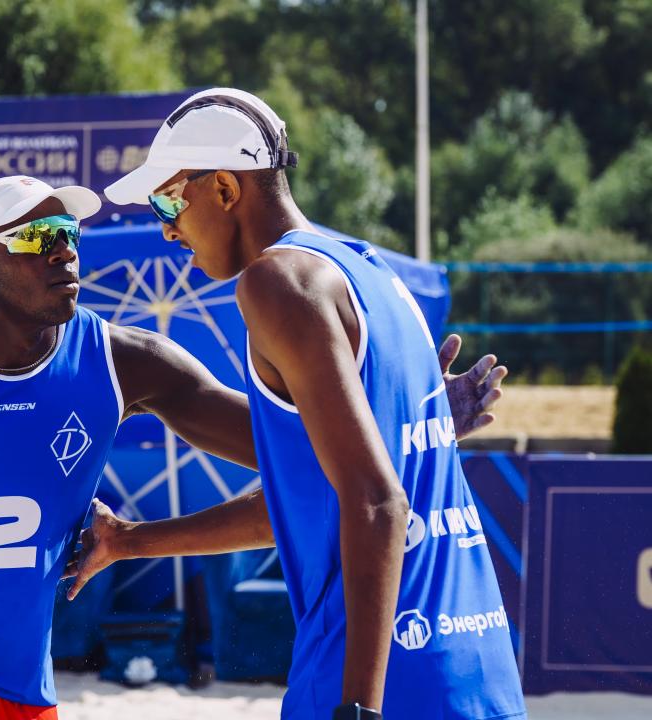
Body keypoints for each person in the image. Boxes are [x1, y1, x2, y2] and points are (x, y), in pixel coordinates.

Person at [0, 174, 504, 720]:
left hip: (17, 688)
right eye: (38, 239)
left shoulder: (123, 360)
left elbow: (299, 453)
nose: (65, 252)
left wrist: (416, 421)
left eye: (70, 235)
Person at [69, 88, 526, 720]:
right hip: (477, 671)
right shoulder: (372, 271)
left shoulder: (277, 282)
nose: (167, 227)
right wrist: (129, 541)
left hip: (377, 679)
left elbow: (378, 504)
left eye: (168, 199)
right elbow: (311, 494)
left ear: (225, 188)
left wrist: (359, 709)